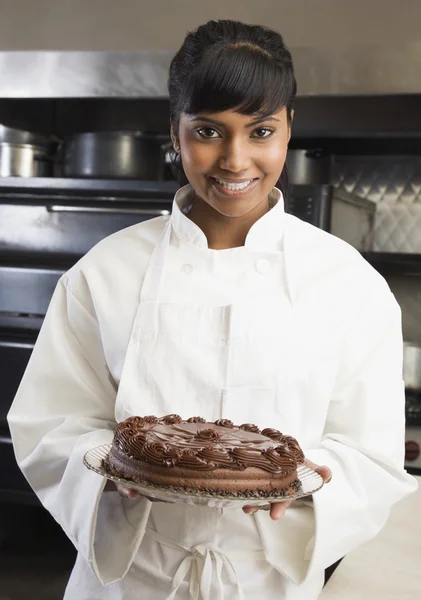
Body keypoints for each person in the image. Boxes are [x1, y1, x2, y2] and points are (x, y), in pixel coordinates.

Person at [7, 19, 417, 600]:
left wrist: (307, 486)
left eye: (261, 131)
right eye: (208, 130)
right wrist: (109, 477)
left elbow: (371, 452)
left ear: (289, 129)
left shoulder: (348, 283)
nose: (235, 159)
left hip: (265, 581)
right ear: (174, 133)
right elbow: (50, 423)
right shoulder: (106, 272)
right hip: (130, 579)